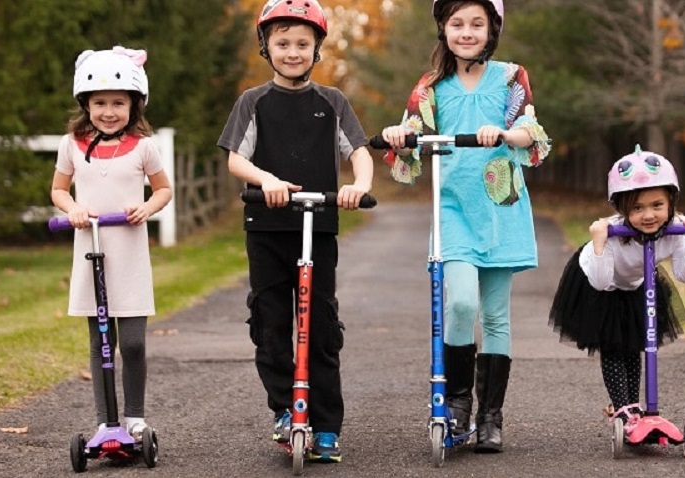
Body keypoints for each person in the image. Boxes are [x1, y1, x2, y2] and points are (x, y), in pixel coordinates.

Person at [380, 0, 551, 453]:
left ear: (492, 29)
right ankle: (457, 403)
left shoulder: (511, 77)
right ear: (443, 28)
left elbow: (530, 131)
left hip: (501, 207)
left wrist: (505, 132)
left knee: (495, 315)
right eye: (458, 23)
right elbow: (409, 138)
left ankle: (490, 416)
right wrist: (399, 136)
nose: (467, 32)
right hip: (452, 209)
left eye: (477, 23)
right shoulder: (432, 87)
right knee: (460, 304)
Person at [217, 0, 374, 464]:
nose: (292, 52)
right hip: (266, 226)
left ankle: (325, 425)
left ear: (316, 48)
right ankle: (286, 409)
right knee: (270, 324)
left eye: (302, 44)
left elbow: (359, 151)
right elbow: (235, 158)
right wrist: (265, 180)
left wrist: (358, 186)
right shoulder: (254, 101)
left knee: (320, 326)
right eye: (282, 43)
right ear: (267, 46)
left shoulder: (332, 102)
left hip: (317, 226)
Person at [50, 46, 173, 439]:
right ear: (85, 103)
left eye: (118, 103)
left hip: (129, 251)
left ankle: (134, 416)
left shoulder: (143, 146)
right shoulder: (71, 143)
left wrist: (146, 207)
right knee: (101, 341)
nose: (108, 111)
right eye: (99, 102)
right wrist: (73, 209)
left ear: (134, 105)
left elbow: (164, 189)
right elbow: (58, 189)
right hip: (91, 250)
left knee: (132, 343)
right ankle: (106, 420)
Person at [548, 145, 685, 430]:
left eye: (657, 205)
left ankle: (636, 409)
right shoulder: (612, 234)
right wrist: (599, 241)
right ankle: (622, 409)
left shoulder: (675, 231)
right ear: (621, 209)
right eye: (637, 208)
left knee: (636, 344)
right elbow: (601, 281)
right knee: (613, 346)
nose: (648, 215)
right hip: (598, 278)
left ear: (671, 202)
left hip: (636, 284)